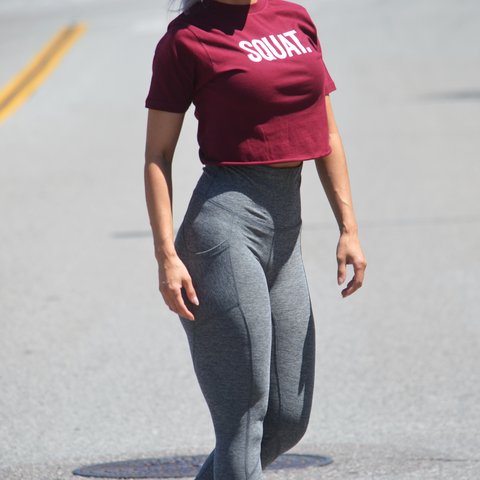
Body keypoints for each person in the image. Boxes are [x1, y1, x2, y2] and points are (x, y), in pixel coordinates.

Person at [144, 0, 366, 478]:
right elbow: (158, 154)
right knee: (243, 425)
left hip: (286, 233)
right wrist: (166, 255)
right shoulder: (186, 40)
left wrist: (348, 228)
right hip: (223, 230)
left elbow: (326, 128)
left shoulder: (294, 18)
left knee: (288, 418)